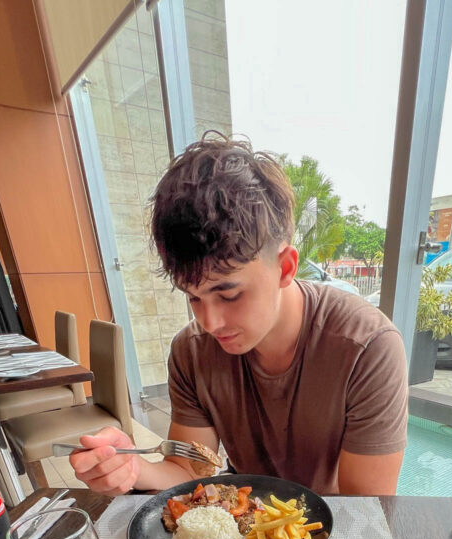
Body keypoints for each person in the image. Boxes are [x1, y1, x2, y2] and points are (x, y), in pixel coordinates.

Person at [71, 134, 408, 497]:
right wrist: (132, 468)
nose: (210, 323)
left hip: (330, 527)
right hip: (240, 515)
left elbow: (367, 508)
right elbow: (188, 470)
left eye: (229, 295)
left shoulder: (367, 348)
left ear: (284, 267)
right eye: (193, 298)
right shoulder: (192, 351)